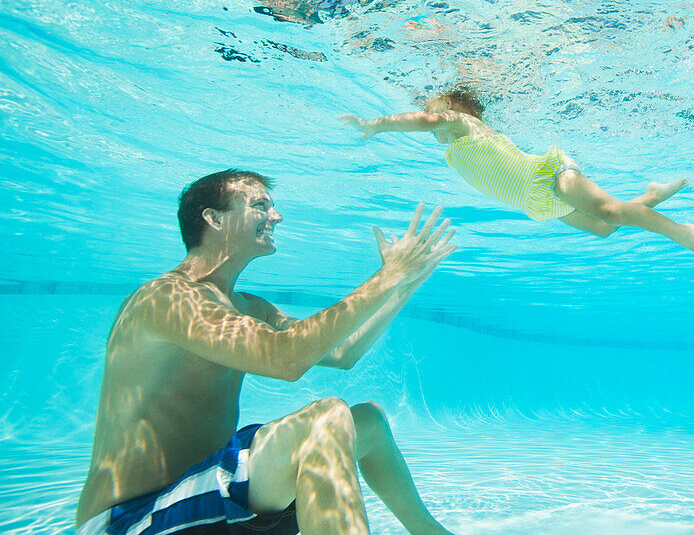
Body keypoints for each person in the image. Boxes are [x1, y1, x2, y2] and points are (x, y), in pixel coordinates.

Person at [75, 170, 457, 535]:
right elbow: (284, 359)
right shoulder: (167, 296)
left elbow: (341, 352)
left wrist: (405, 282)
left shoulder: (244, 306)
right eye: (260, 205)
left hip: (206, 494)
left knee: (367, 423)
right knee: (327, 417)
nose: (277, 215)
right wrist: (387, 275)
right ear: (214, 219)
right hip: (132, 518)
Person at [341, 89, 694, 262]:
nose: (431, 118)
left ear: (451, 104)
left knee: (610, 213)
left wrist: (376, 125)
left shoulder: (462, 123)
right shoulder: (453, 150)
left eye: (433, 106)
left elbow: (424, 121)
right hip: (535, 203)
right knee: (606, 227)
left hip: (548, 178)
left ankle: (686, 235)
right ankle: (650, 195)